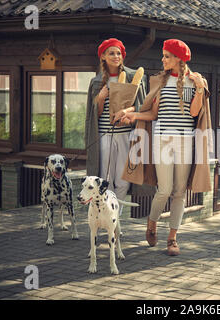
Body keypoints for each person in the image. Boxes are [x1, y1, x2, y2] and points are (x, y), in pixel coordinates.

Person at [122, 39, 213, 256]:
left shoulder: (196, 81)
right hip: (162, 140)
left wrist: (200, 89)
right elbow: (153, 114)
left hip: (185, 141)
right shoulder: (158, 81)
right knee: (164, 190)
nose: (162, 60)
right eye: (163, 56)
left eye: (167, 56)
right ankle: (151, 223)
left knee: (179, 192)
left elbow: (194, 113)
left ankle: (172, 238)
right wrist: (132, 114)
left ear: (179, 59)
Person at [85, 38, 147, 217]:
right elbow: (93, 117)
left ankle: (115, 218)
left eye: (119, 53)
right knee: (105, 179)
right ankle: (104, 216)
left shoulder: (133, 77)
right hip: (104, 135)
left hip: (126, 135)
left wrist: (127, 111)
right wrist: (101, 98)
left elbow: (141, 107)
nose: (116, 56)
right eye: (111, 53)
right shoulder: (96, 82)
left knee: (123, 180)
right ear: (103, 56)